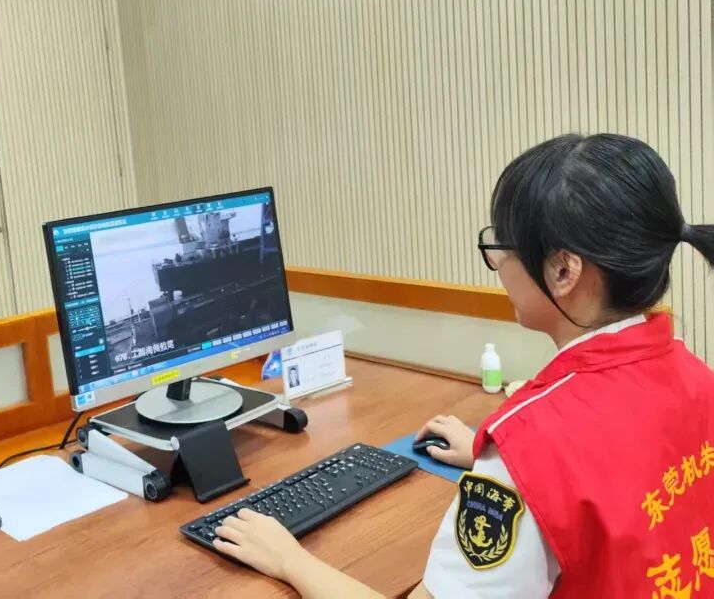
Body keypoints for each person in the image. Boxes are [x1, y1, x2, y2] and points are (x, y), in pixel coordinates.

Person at [212, 134, 714, 598]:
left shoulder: (530, 443)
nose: (498, 266)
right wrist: (490, 460)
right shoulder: (696, 378)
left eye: (501, 247)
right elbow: (620, 474)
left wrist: (290, 560)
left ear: (563, 270)